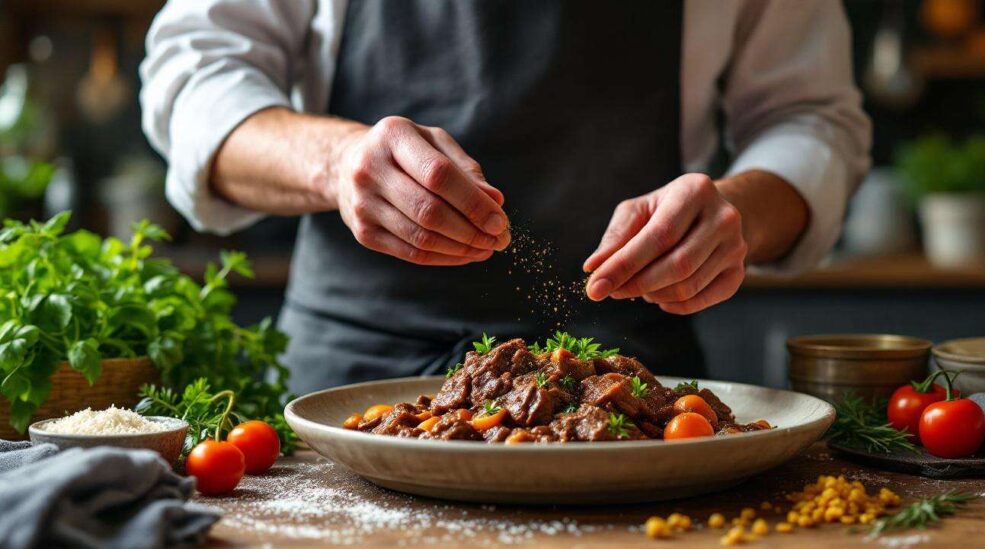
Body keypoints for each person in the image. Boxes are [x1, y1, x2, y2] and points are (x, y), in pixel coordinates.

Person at [141, 0, 871, 395]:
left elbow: (811, 117)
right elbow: (193, 76)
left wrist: (740, 209)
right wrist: (336, 161)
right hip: (350, 386)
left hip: (627, 390)